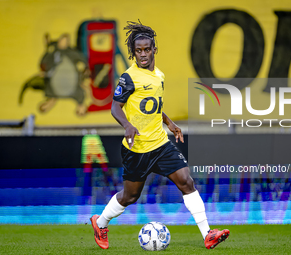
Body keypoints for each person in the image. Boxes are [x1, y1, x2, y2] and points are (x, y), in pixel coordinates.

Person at [90, 21, 230, 250]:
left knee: (186, 181)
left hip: (161, 143)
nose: (143, 54)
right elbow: (115, 107)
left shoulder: (159, 76)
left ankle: (208, 234)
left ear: (154, 49)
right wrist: (126, 125)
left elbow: (152, 106)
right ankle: (101, 222)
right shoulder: (128, 77)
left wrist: (170, 122)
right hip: (137, 148)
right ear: (133, 52)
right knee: (130, 196)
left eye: (147, 49)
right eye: (138, 50)